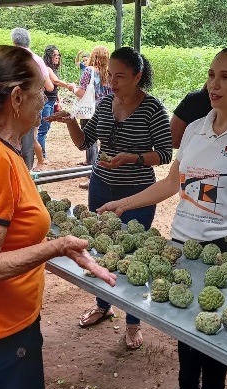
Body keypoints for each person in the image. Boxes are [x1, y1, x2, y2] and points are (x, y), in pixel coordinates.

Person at [96, 45, 227, 389]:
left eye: (226, 77)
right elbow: (173, 183)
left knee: (216, 334)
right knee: (186, 329)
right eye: (212, 75)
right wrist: (123, 204)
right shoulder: (196, 129)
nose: (213, 84)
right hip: (182, 242)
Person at [0, 45, 116, 389]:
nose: (44, 102)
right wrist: (56, 246)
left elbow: (9, 231)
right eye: (40, 94)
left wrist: (54, 249)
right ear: (16, 98)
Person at [47, 46, 173, 349]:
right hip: (101, 186)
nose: (113, 82)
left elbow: (166, 154)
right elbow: (85, 143)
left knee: (132, 254)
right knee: (100, 249)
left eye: (120, 76)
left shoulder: (153, 109)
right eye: (110, 76)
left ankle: (132, 322)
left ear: (137, 76)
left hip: (138, 194)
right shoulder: (104, 105)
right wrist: (70, 123)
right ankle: (103, 306)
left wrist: (133, 158)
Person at [11, 27, 54, 171]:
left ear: (13, 42)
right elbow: (49, 87)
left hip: (10, 106)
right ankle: (27, 174)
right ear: (28, 41)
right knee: (29, 141)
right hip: (30, 106)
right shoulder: (36, 60)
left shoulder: (8, 59)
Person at [70, 45, 112, 188]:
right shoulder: (110, 73)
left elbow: (81, 93)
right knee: (106, 143)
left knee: (90, 143)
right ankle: (105, 174)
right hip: (107, 111)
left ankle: (92, 176)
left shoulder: (88, 71)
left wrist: (72, 88)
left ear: (94, 56)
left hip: (90, 111)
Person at [35, 45, 73, 169]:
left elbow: (54, 88)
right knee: (42, 130)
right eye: (54, 55)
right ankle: (43, 156)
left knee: (45, 129)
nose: (57, 57)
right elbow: (56, 82)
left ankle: (42, 154)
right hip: (46, 103)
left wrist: (58, 100)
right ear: (49, 56)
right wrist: (69, 86)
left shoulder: (52, 69)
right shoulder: (47, 69)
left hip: (50, 102)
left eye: (58, 55)